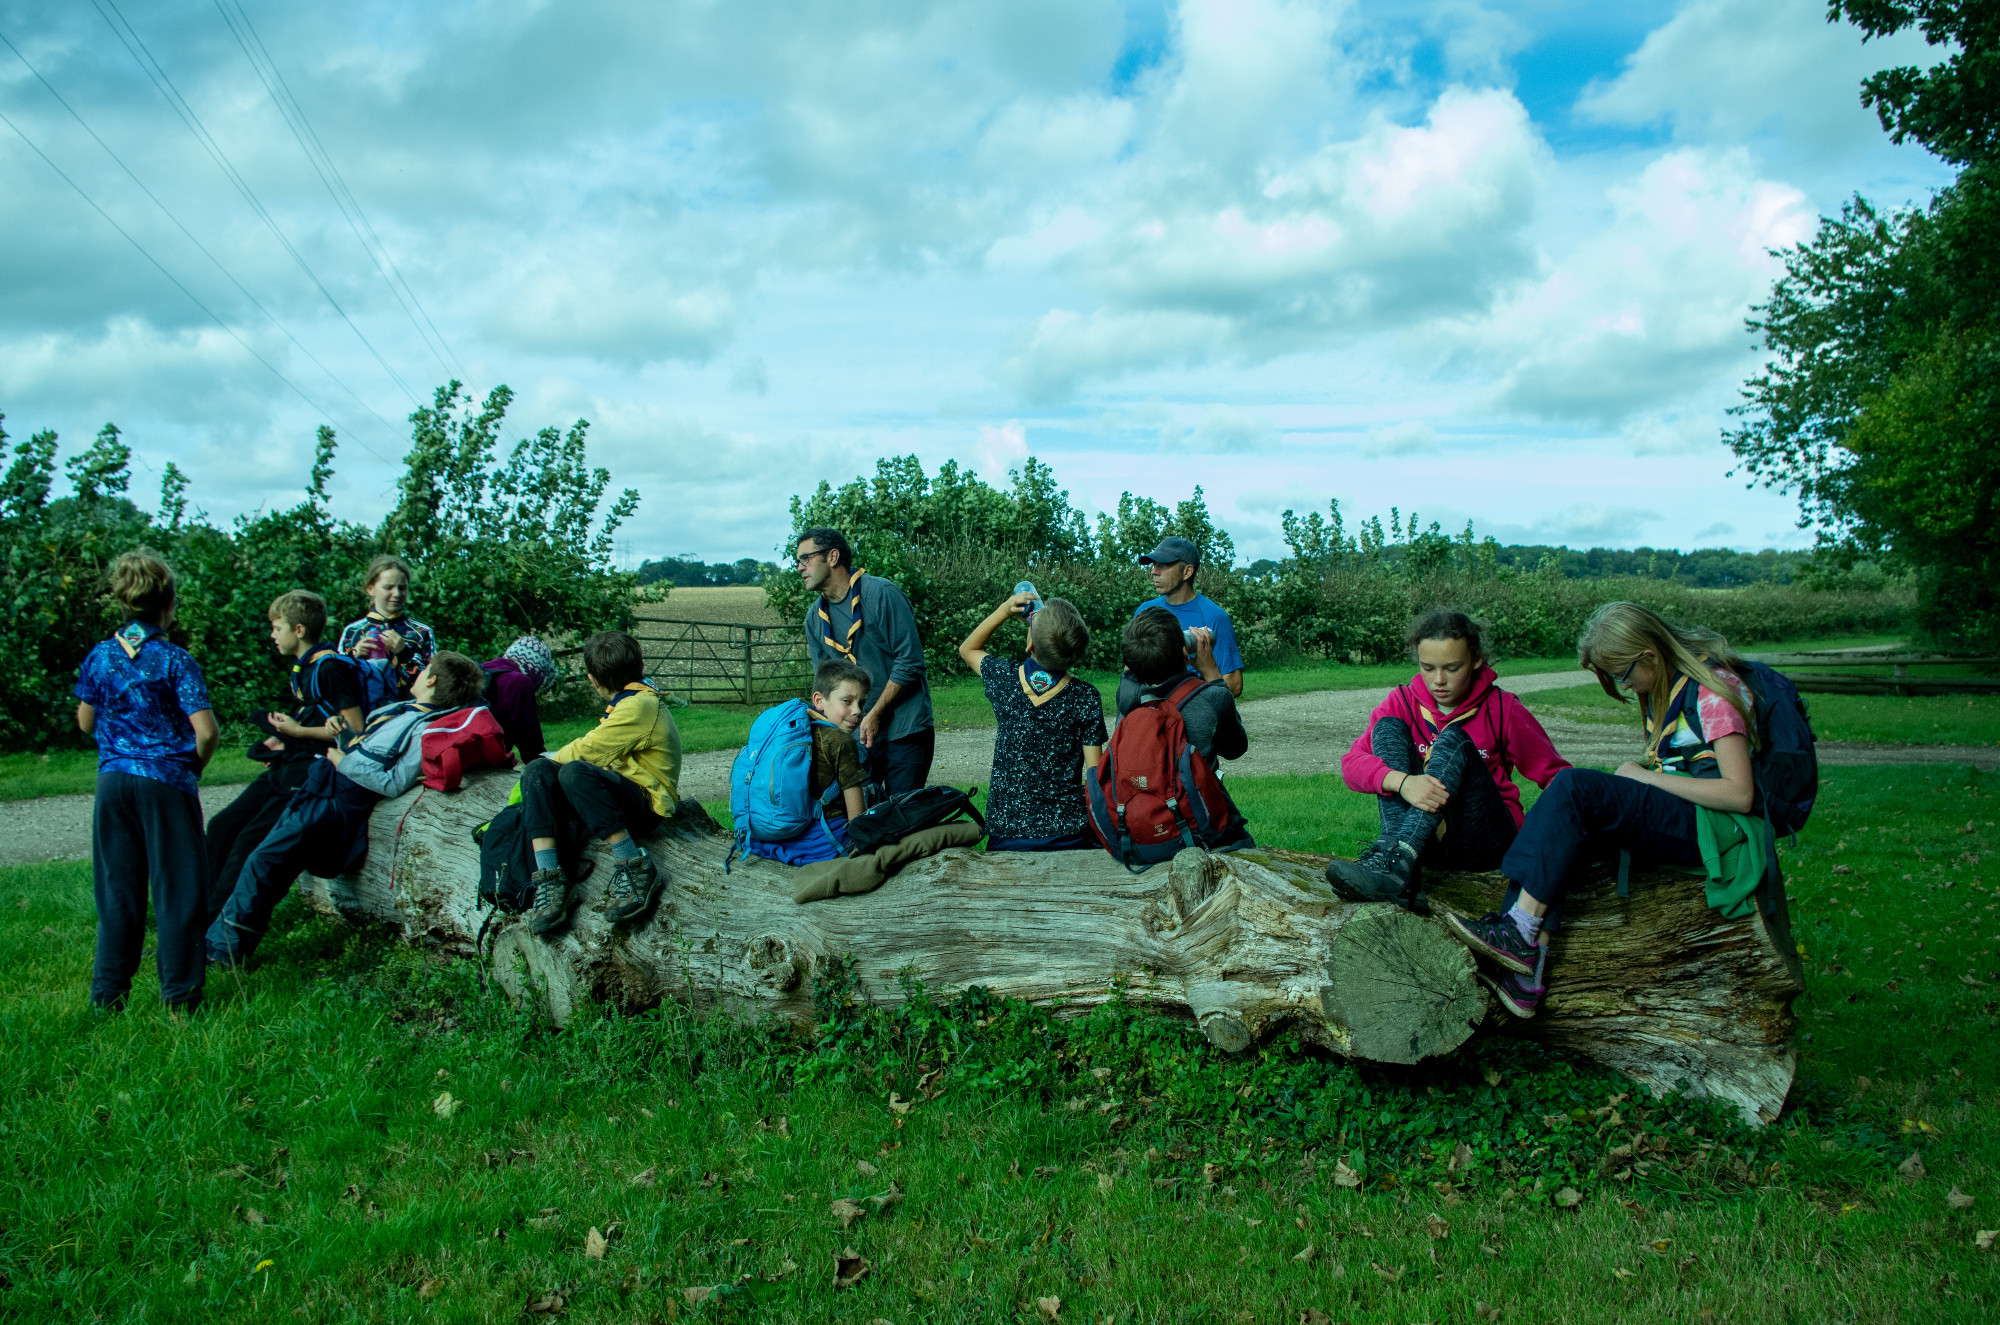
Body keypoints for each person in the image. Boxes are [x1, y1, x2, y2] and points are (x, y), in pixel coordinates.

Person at [1442, 602, 1766, 1019]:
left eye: (1621, 674)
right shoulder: (1666, 686)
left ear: (1649, 656)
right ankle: (1525, 976)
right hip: (1687, 813)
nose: (1622, 685)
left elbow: (1740, 795)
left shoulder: (1712, 692)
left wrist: (1645, 778)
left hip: (1715, 827)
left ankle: (1518, 931)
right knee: (1563, 822)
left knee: (1573, 787)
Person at [206, 652, 487, 969]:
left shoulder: (426, 729)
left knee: (265, 862)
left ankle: (221, 953)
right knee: (269, 863)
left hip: (336, 802)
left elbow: (392, 782)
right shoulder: (400, 710)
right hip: (321, 788)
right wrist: (343, 735)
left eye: (425, 670)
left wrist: (343, 761)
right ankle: (220, 944)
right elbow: (368, 751)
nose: (419, 673)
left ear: (432, 680)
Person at [1331, 609, 1569, 908]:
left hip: (1485, 842)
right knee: (1388, 727)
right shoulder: (1402, 701)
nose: (1439, 680)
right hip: (1426, 846)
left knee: (1453, 740)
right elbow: (1351, 766)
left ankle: (1397, 864)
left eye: (1452, 668)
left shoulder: (1503, 708)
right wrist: (1402, 782)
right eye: (1428, 668)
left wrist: (1545, 843)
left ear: (1476, 659)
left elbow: (1560, 780)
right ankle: (1397, 865)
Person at [75, 549, 220, 1012]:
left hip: (113, 781)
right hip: (166, 782)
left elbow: (85, 721)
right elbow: (206, 732)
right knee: (178, 889)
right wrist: (191, 766)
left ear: (124, 601)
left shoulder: (99, 657)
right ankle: (180, 998)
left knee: (118, 889)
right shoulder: (175, 660)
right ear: (169, 604)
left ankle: (107, 997)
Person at [205, 590, 369, 920]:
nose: (272, 635)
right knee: (221, 826)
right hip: (289, 762)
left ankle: (214, 929)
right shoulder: (304, 668)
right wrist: (281, 738)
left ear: (299, 630)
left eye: (277, 627)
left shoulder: (329, 668)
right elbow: (314, 715)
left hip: (312, 771)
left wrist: (298, 733)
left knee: (247, 843)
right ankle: (195, 913)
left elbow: (355, 729)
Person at [524, 631, 682, 935]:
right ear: (640, 665)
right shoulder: (632, 701)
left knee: (573, 771)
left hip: (648, 803)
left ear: (593, 680)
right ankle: (549, 876)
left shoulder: (640, 706)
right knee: (536, 771)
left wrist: (552, 757)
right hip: (621, 795)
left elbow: (589, 749)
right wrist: (544, 763)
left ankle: (633, 863)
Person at [957, 592, 1107, 851]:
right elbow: (1095, 776)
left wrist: (1004, 610)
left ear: (1031, 645)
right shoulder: (1086, 696)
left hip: (1008, 832)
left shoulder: (1004, 679)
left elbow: (967, 649)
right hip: (1069, 832)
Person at [795, 527, 935, 793]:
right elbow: (826, 684)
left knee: (902, 814)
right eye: (798, 561)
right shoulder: (814, 619)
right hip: (855, 735)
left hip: (904, 729)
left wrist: (875, 714)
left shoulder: (881, 594)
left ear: (832, 557)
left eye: (806, 558)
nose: (800, 567)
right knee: (859, 814)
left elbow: (911, 661)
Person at [1117, 606, 1248, 768]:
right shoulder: (1213, 697)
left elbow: (1128, 674)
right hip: (1192, 785)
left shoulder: (1128, 696)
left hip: (1137, 784)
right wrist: (1213, 674)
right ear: (1185, 652)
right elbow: (1235, 749)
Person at [1132, 535, 1243, 697]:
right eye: (1154, 565)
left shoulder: (1215, 617)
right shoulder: (1144, 612)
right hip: (1151, 708)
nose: (1154, 571)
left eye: (1163, 565)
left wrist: (1207, 669)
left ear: (1187, 571)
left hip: (1193, 708)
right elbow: (1130, 672)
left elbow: (1235, 686)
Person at [338, 554, 436, 698]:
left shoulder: (422, 632)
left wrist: (405, 654)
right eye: (388, 587)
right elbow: (338, 683)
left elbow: (433, 684)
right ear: (370, 589)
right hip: (366, 710)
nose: (397, 594)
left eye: (402, 588)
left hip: (409, 710)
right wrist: (354, 656)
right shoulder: (353, 632)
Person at [482, 635, 559, 759]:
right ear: (536, 675)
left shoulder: (482, 671)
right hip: (483, 763)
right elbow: (531, 747)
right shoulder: (519, 683)